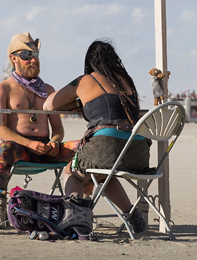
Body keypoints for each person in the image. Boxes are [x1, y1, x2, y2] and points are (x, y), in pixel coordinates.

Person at [43, 39, 150, 234]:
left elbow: (48, 105)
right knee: (102, 174)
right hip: (139, 153)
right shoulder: (127, 82)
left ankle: (78, 221)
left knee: (72, 172)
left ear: (90, 62)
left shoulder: (86, 80)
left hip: (109, 146)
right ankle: (132, 216)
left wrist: (78, 102)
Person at [0, 32, 78, 229]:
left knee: (83, 149)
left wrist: (55, 142)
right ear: (13, 58)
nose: (33, 60)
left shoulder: (47, 89)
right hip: (20, 148)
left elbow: (57, 128)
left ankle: (77, 206)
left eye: (36, 55)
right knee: (4, 151)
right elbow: (0, 129)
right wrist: (30, 143)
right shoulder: (3, 89)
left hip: (47, 149)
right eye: (26, 55)